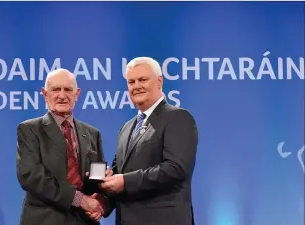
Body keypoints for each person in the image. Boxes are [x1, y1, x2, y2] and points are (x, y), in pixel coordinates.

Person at [100, 57, 198, 225]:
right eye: (131, 82)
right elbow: (120, 172)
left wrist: (125, 181)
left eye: (143, 80)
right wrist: (106, 188)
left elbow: (176, 169)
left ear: (159, 82)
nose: (136, 86)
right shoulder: (126, 128)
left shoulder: (178, 117)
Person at [16, 69, 109, 225]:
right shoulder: (29, 129)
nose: (62, 95)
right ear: (45, 94)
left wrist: (101, 203)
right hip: (45, 219)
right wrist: (80, 200)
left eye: (67, 89)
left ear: (77, 94)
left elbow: (97, 177)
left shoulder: (93, 133)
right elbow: (30, 176)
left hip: (84, 220)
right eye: (55, 89)